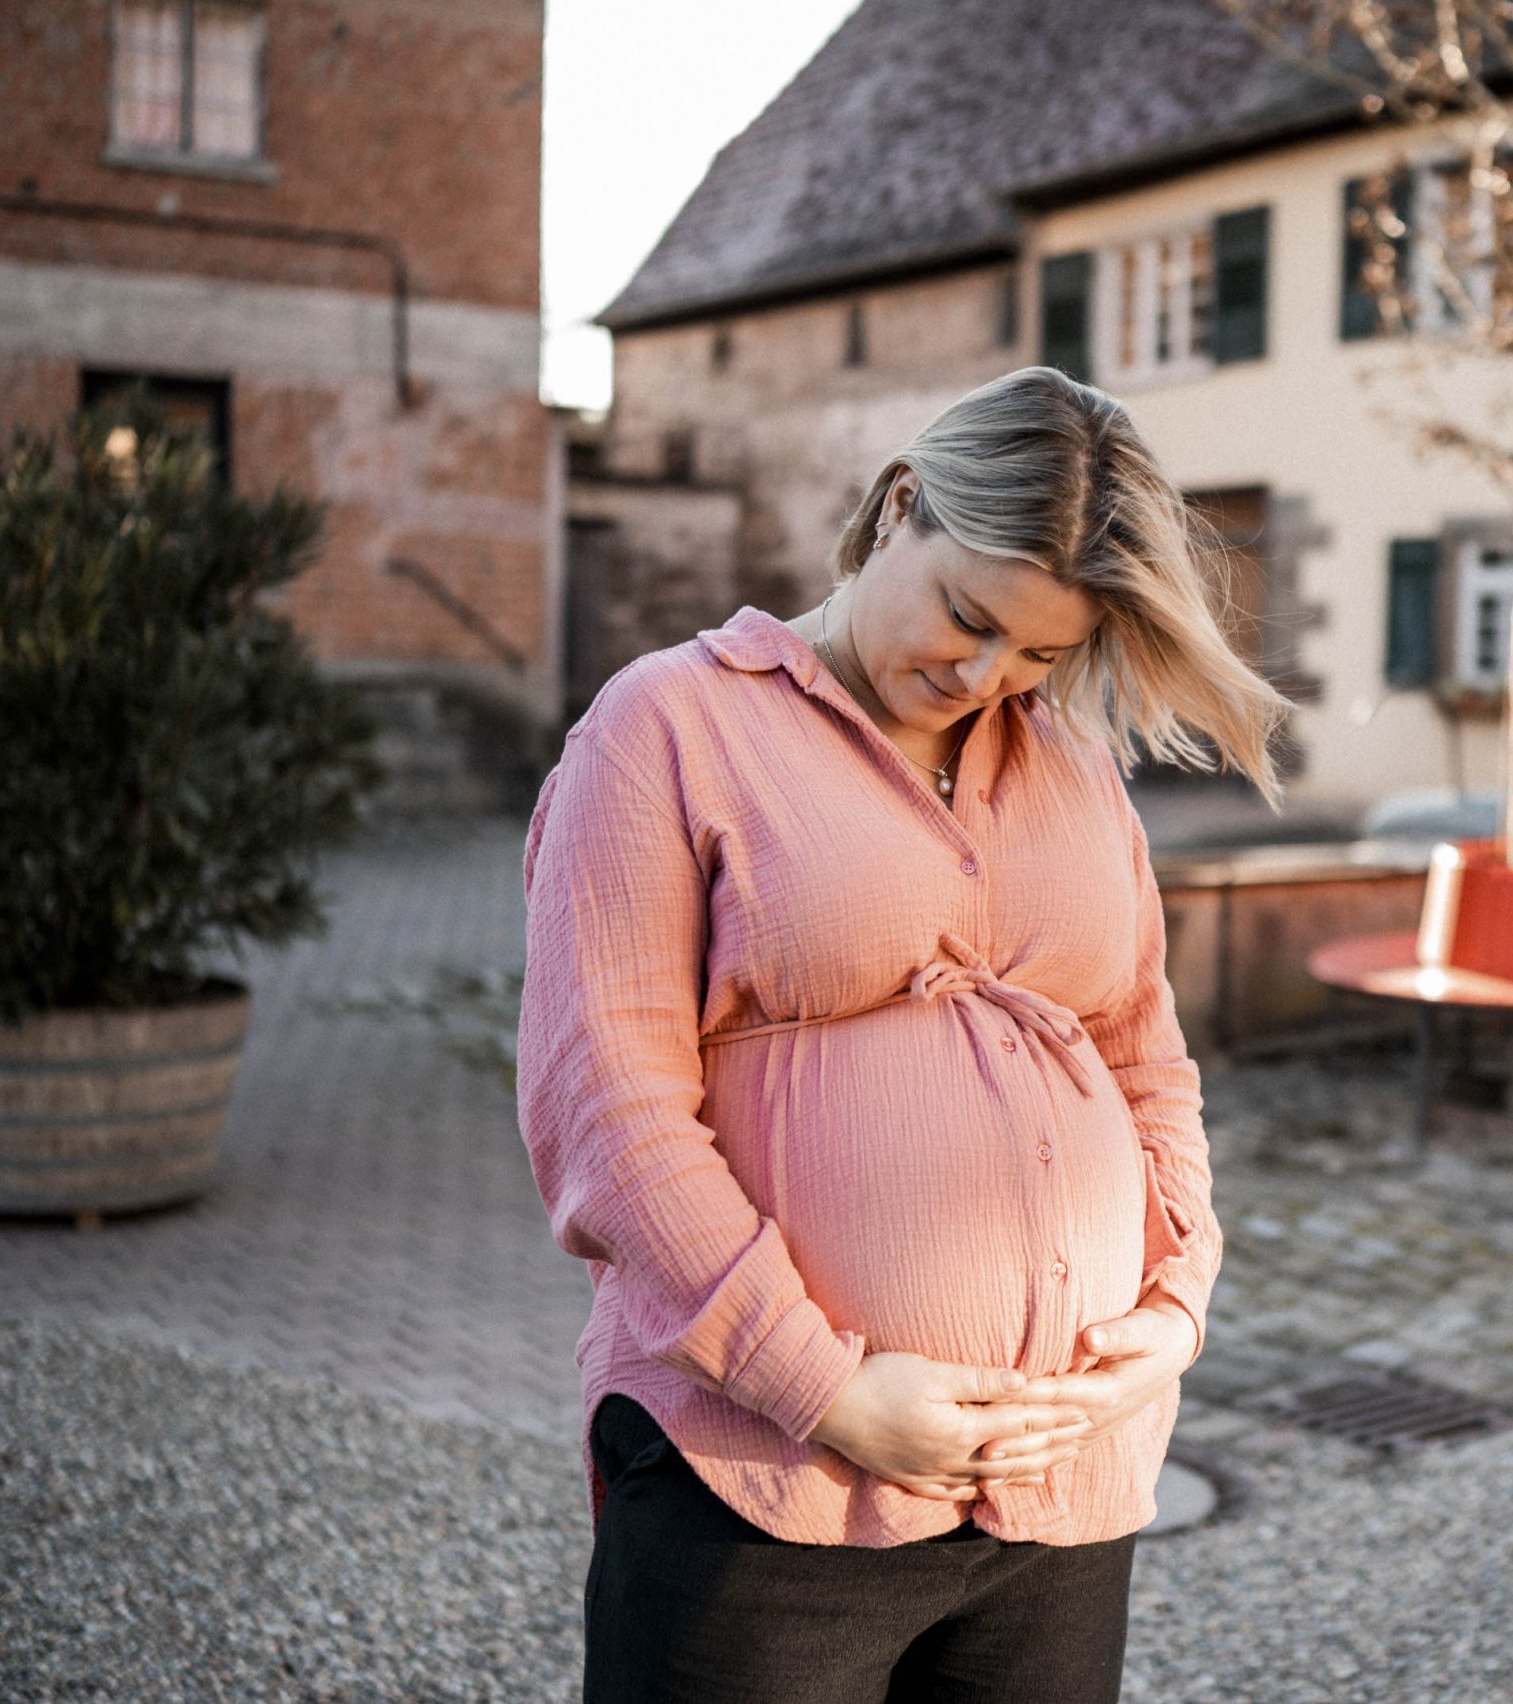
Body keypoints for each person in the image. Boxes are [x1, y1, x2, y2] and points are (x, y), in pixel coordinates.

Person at [517, 364, 1288, 1703]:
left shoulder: (1074, 767)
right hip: (763, 1481)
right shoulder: (666, 728)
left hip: (1060, 1487)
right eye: (969, 616)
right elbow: (612, 1112)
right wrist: (824, 1391)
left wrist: (1177, 1305)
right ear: (899, 506)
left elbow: (1142, 1056)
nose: (984, 676)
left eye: (1041, 654)